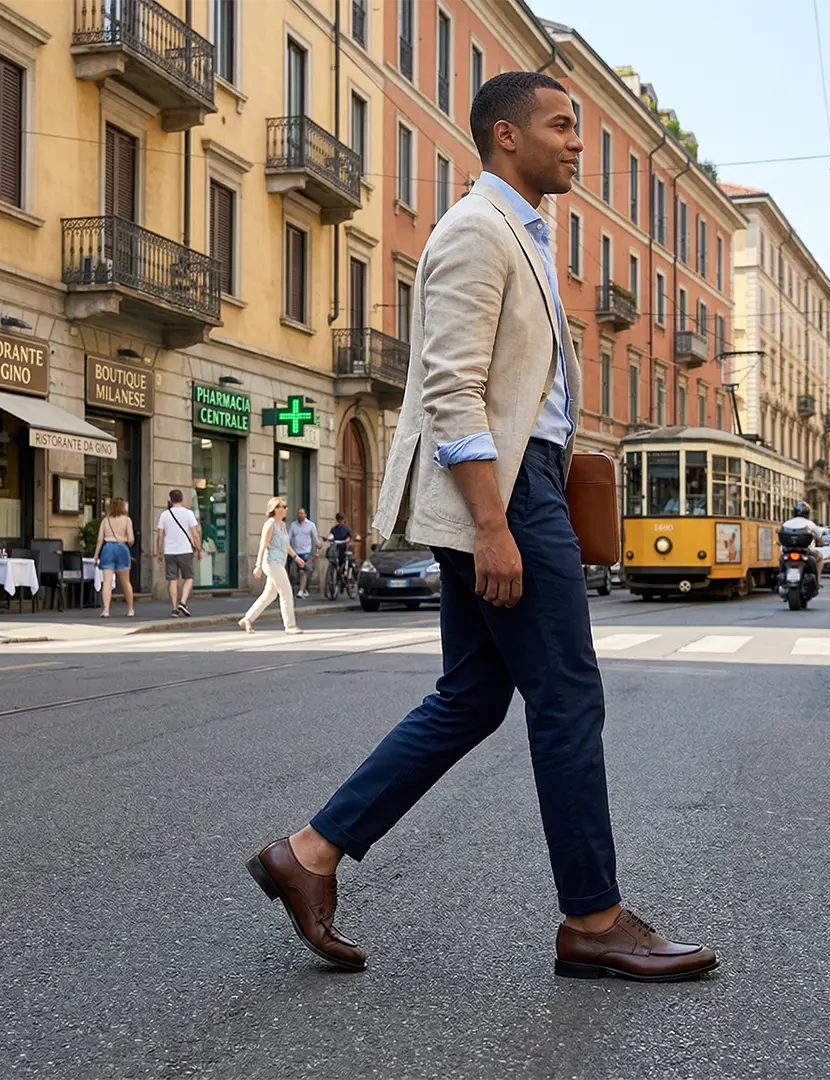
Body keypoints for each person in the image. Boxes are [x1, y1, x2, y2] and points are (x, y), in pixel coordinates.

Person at [246, 71, 718, 983]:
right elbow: (451, 386)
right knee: (568, 698)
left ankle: (307, 855)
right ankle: (593, 918)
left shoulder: (524, 234)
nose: (577, 143)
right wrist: (494, 522)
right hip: (504, 490)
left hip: (522, 483)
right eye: (561, 126)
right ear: (506, 136)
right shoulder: (476, 230)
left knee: (471, 697)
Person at [239, 497, 303, 635]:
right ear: (275, 509)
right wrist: (258, 566)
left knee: (269, 595)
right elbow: (263, 544)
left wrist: (296, 557)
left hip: (280, 562)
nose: (287, 509)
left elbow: (286, 545)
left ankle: (248, 619)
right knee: (286, 591)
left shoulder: (282, 525)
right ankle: (290, 625)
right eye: (284, 506)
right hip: (271, 562)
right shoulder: (270, 524)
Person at [156, 489, 201, 618]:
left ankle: (174, 608)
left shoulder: (164, 515)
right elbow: (195, 534)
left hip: (169, 552)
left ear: (170, 500)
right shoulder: (188, 514)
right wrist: (199, 550)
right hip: (185, 551)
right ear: (182, 499)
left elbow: (160, 535)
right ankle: (183, 601)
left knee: (172, 579)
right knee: (189, 578)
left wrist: (159, 552)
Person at [92, 497, 135, 618]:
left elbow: (100, 539)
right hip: (122, 547)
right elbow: (131, 539)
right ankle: (130, 609)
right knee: (126, 582)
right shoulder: (127, 520)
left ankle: (106, 609)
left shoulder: (105, 521)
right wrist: (127, 540)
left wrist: (96, 555)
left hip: (108, 549)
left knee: (107, 581)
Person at [781, 500, 825, 579]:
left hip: (787, 551)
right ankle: (818, 579)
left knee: (781, 560)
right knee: (820, 557)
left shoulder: (786, 523)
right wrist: (822, 544)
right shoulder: (810, 524)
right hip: (807, 552)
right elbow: (819, 538)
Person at [287, 507, 319, 600]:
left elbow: (315, 538)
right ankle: (305, 589)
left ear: (305, 515)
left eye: (301, 513)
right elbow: (289, 538)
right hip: (296, 552)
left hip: (306, 552)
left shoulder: (311, 525)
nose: (299, 515)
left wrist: (318, 546)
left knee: (302, 571)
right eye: (298, 513)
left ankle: (301, 591)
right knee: (295, 573)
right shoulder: (293, 525)